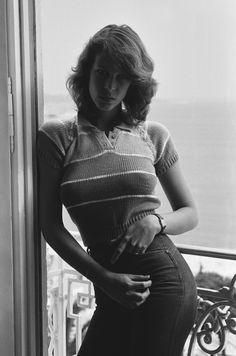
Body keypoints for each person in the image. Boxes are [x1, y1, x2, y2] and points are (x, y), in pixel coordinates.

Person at [37, 24, 198, 356]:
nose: (109, 86)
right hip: (109, 290)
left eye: (121, 77)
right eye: (102, 73)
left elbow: (190, 213)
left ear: (134, 84)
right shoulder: (57, 136)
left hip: (165, 285)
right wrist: (105, 279)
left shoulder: (153, 135)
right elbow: (50, 226)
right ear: (86, 73)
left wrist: (156, 222)